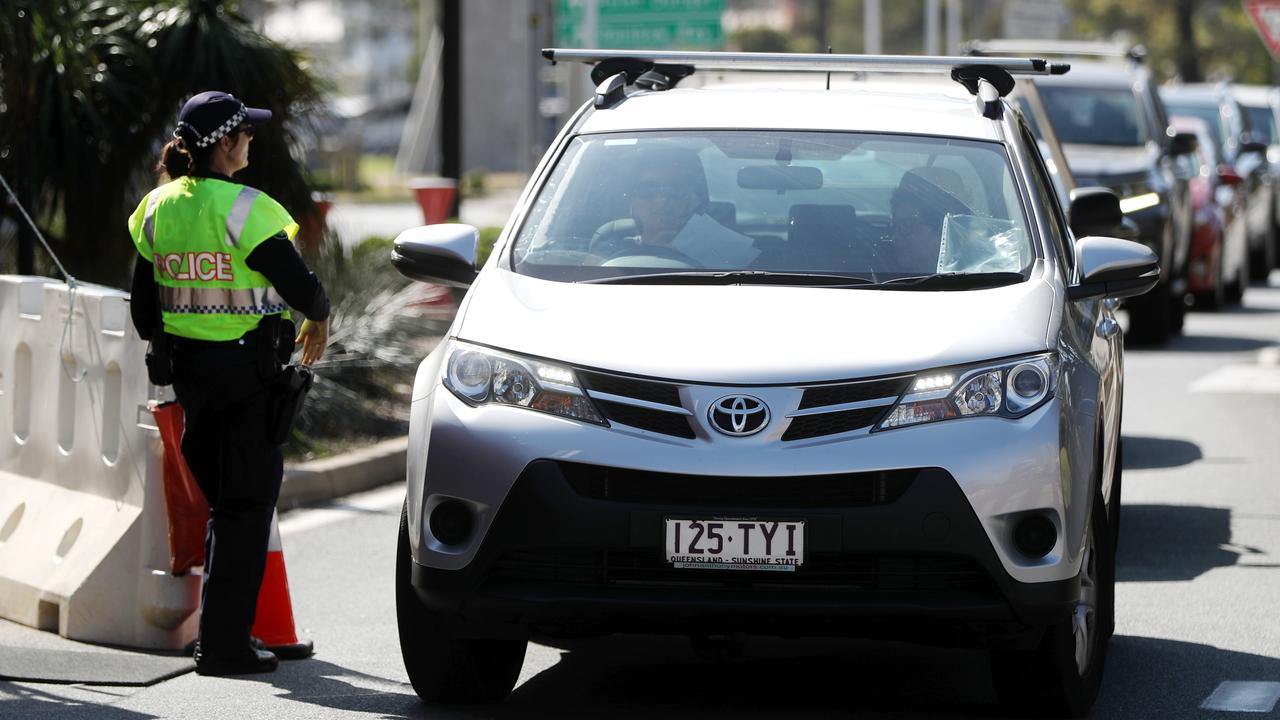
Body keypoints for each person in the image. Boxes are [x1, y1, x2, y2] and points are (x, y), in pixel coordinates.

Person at [127, 91, 330, 676]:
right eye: (245, 134)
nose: (252, 143)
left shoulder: (157, 208)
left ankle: (222, 636)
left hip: (190, 379)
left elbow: (145, 311)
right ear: (225, 143)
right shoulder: (248, 209)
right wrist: (319, 314)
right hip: (249, 379)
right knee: (245, 508)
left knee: (227, 506)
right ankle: (222, 647)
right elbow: (304, 290)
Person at [591, 146, 760, 269]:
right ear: (631, 203)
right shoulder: (604, 253)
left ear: (695, 201)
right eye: (647, 192)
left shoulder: (729, 258)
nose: (662, 203)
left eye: (674, 192)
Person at [886, 166, 973, 273]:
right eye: (895, 226)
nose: (895, 237)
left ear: (943, 228)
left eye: (907, 224)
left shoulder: (985, 268)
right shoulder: (879, 278)